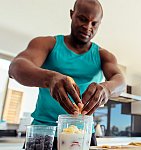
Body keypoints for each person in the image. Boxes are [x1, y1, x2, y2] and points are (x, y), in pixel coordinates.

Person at [9, 0, 126, 149]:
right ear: (72, 14)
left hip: (82, 135)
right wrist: (49, 79)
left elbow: (120, 81)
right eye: (83, 19)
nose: (88, 27)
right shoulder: (47, 43)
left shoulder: (104, 55)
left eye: (94, 23)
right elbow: (15, 67)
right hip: (44, 133)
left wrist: (107, 89)